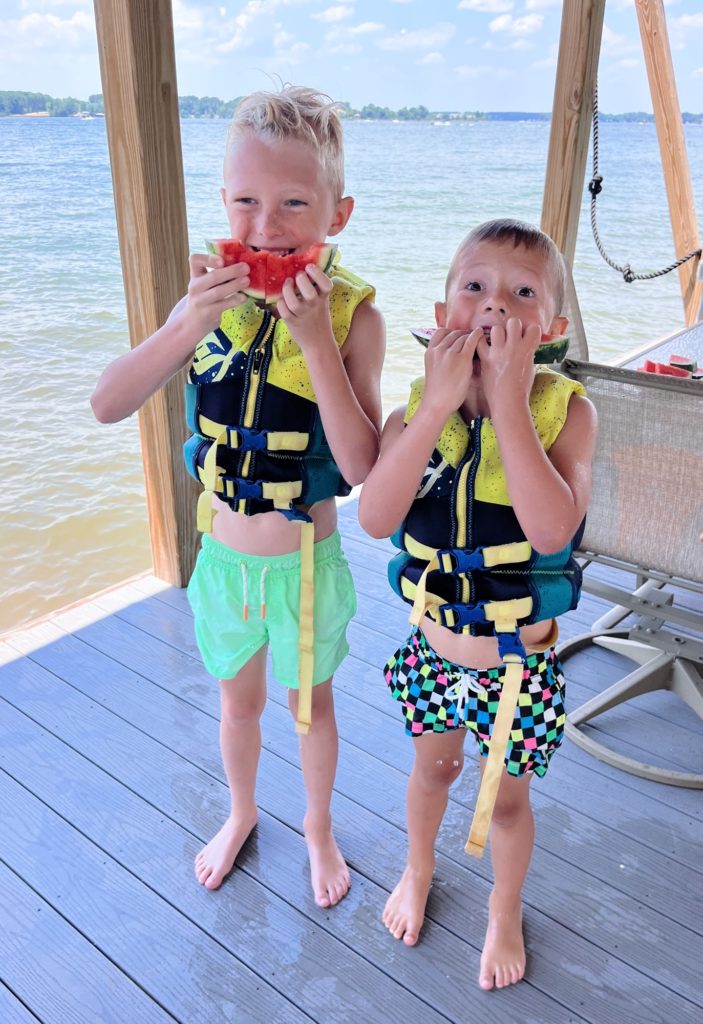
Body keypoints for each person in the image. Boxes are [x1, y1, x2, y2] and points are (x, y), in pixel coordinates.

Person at [92, 86, 385, 908]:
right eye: (246, 202)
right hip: (222, 558)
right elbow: (108, 403)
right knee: (238, 704)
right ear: (222, 203)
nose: (265, 228)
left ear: (339, 212)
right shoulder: (206, 299)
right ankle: (242, 812)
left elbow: (360, 465)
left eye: (294, 203)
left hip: (304, 562)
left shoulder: (353, 315)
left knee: (310, 710)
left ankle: (319, 828)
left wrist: (315, 343)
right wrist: (186, 322)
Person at [358, 219, 596, 989]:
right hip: (433, 651)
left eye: (521, 293)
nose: (494, 307)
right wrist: (436, 409)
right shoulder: (413, 412)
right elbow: (374, 518)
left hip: (516, 669)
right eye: (474, 288)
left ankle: (503, 905)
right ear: (442, 308)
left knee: (503, 807)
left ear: (551, 329)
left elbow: (551, 527)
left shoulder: (568, 413)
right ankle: (418, 868)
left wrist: (509, 402)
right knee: (432, 774)